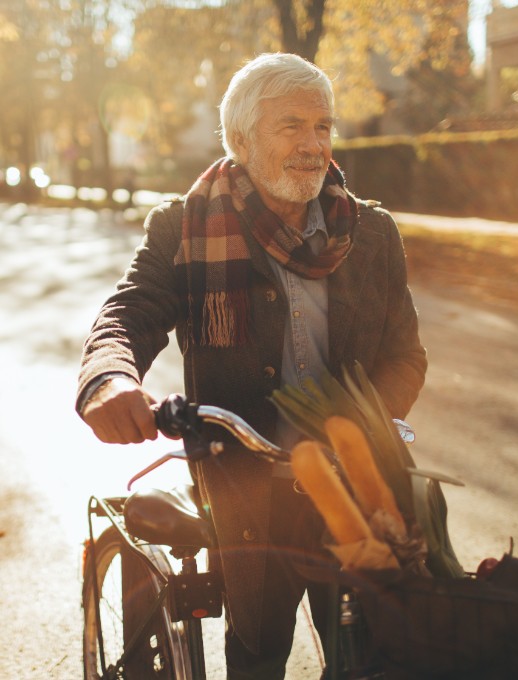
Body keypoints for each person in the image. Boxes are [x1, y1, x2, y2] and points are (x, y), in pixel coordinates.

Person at [77, 52, 427, 679]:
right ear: (240, 140)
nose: (313, 144)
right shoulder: (184, 227)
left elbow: (406, 356)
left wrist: (364, 422)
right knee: (258, 649)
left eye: (323, 126)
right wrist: (111, 377)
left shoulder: (371, 233)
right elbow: (130, 312)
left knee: (371, 653)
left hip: (356, 480)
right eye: (290, 125)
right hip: (245, 479)